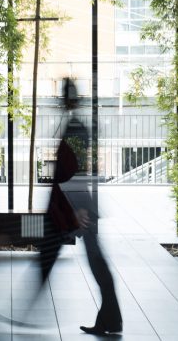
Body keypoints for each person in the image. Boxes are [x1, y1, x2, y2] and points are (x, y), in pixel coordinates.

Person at [35, 78, 122, 335]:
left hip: (78, 206)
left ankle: (111, 318)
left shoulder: (75, 127)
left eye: (63, 97)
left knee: (94, 260)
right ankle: (111, 319)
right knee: (92, 259)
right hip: (76, 204)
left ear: (66, 99)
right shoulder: (77, 125)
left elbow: (78, 169)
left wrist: (79, 208)